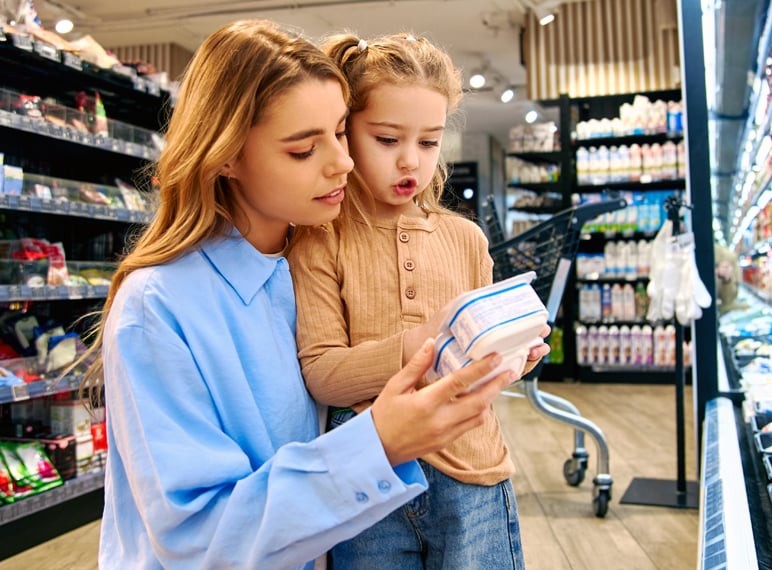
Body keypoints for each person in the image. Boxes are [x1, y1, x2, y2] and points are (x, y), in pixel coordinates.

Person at [74, 20, 518, 569]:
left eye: (339, 132)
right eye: (305, 149)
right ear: (227, 156)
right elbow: (197, 537)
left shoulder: (308, 260)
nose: (345, 162)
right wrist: (379, 445)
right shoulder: (157, 307)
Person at [290, 31, 549, 569]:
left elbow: (479, 370)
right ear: (346, 133)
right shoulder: (319, 238)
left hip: (473, 471)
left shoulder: (467, 239)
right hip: (368, 481)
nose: (411, 161)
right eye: (387, 140)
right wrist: (425, 342)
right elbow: (322, 373)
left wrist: (511, 359)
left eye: (428, 142)